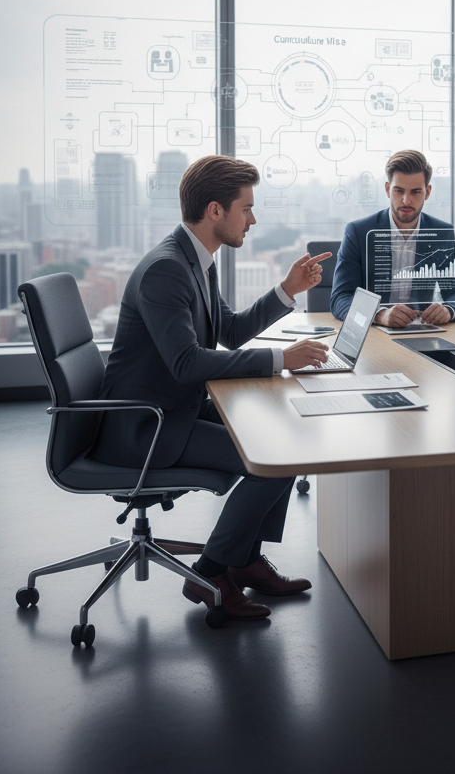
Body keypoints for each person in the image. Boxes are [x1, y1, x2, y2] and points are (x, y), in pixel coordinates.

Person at [92, 155, 332, 621]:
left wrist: (287, 290)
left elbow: (230, 331)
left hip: (172, 408)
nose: (254, 219)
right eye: (246, 208)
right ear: (215, 211)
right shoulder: (167, 269)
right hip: (146, 427)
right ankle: (212, 570)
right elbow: (186, 364)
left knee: (283, 433)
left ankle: (243, 560)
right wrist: (282, 358)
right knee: (276, 462)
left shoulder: (197, 258)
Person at [330, 149, 455, 328]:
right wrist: (379, 315)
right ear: (388, 190)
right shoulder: (358, 232)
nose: (406, 201)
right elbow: (340, 298)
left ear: (427, 193)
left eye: (415, 192)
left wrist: (448, 310)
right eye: (399, 191)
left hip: (421, 332)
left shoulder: (442, 232)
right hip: (373, 335)